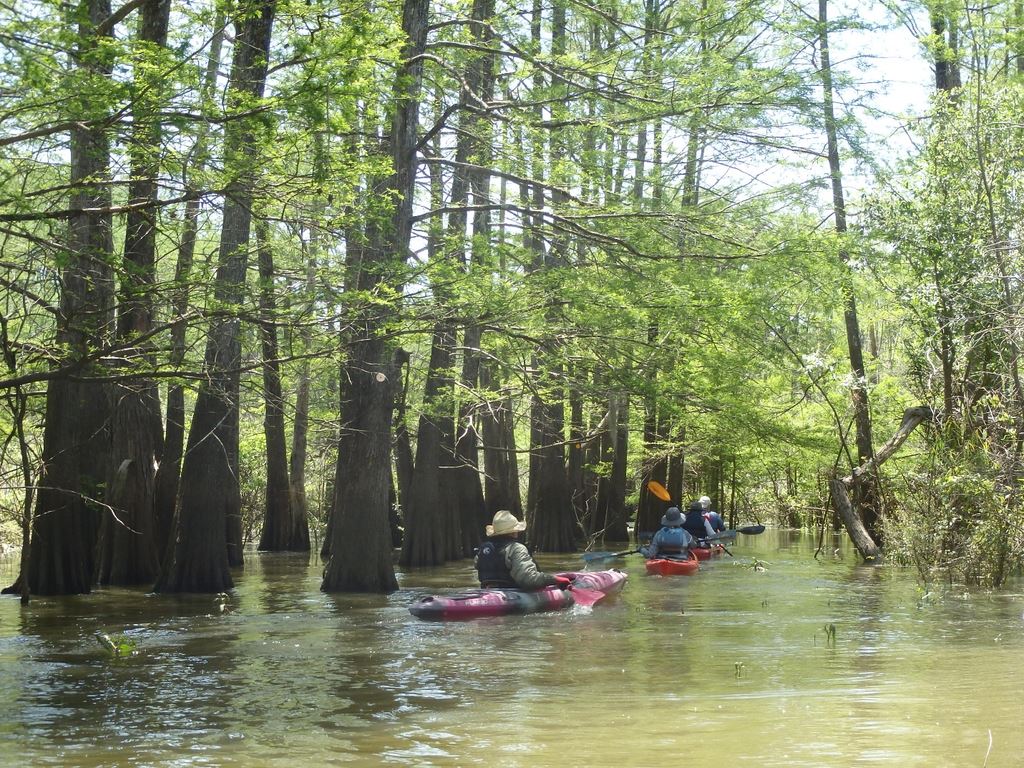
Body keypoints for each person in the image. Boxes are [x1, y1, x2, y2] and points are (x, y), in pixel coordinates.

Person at [474, 510, 572, 591]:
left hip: (488, 592)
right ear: (513, 532)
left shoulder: (483, 549)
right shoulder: (516, 548)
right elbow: (529, 580)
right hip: (512, 595)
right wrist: (555, 580)